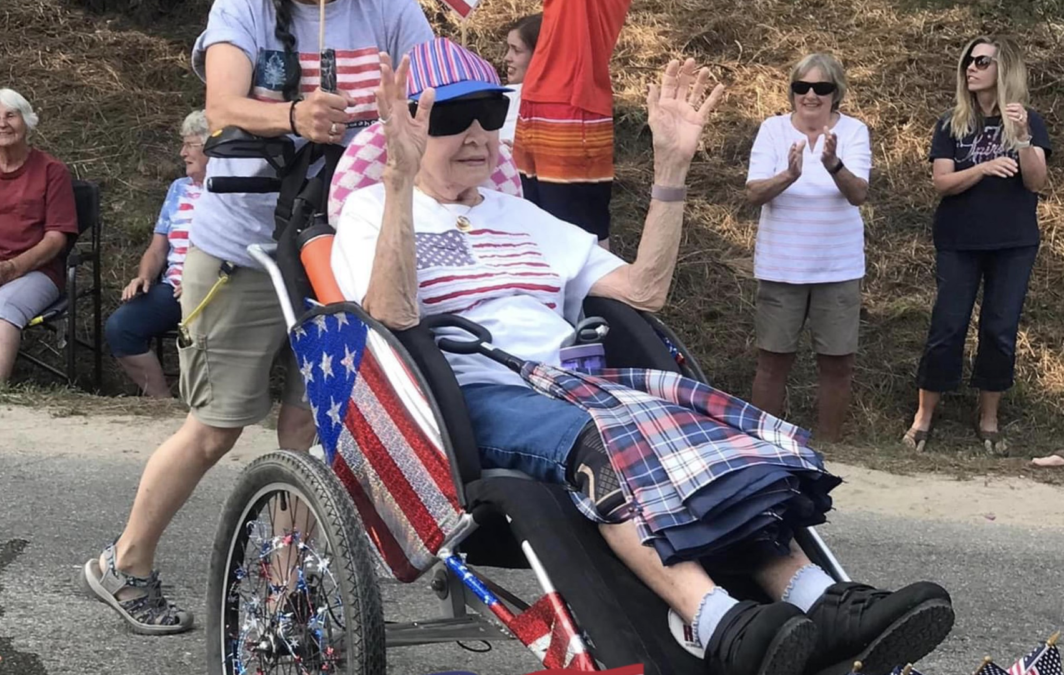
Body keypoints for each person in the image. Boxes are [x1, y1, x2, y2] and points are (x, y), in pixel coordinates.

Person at [331, 38, 953, 675]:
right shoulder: (371, 210)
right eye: (447, 118)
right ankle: (717, 620)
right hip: (468, 392)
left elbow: (644, 290)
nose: (474, 133)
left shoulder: (520, 215)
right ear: (405, 125)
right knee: (607, 439)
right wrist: (401, 183)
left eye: (489, 113)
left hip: (574, 380)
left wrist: (671, 171)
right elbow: (390, 316)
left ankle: (821, 599)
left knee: (716, 436)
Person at [82, 0, 433, 635]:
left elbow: (432, 91)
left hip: (346, 245)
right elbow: (222, 107)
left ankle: (283, 589)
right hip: (243, 248)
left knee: (310, 426)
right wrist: (294, 114)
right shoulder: (242, 8)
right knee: (216, 427)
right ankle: (124, 562)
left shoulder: (393, 9)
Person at [902, 36, 1050, 454]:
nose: (972, 67)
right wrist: (983, 167)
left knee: (1000, 330)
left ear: (1005, 69)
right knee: (947, 326)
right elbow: (942, 183)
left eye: (982, 61)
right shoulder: (952, 121)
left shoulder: (1028, 119)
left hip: (1014, 243)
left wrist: (1021, 137)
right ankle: (923, 417)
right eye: (969, 60)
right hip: (959, 241)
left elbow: (1036, 182)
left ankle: (989, 419)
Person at [745, 54, 872, 443]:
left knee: (837, 362)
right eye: (802, 87)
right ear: (793, 92)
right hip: (782, 267)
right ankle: (766, 447)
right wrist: (789, 175)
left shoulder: (853, 132)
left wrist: (833, 165)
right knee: (772, 362)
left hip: (838, 268)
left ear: (837, 93)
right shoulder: (772, 130)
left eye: (822, 88)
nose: (811, 95)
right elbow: (753, 192)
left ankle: (830, 446)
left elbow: (858, 194)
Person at [105, 110, 208, 398]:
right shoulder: (178, 189)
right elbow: (158, 247)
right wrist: (144, 276)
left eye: (190, 145)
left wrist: (201, 281)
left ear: (213, 147)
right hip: (173, 289)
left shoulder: (234, 191)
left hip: (218, 291)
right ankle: (162, 402)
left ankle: (209, 407)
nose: (182, 152)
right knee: (121, 327)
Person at [513, 0, 632, 249]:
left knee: (577, 238)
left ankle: (598, 289)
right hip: (537, 101)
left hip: (570, 108)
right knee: (532, 228)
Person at [0, 88, 79, 384]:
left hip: (36, 272)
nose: (2, 124)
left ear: (27, 122)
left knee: (1, 306)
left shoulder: (52, 171)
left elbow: (55, 240)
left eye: (11, 115)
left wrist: (12, 269)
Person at [500, 13, 541, 146]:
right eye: (508, 48)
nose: (507, 57)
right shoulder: (504, 97)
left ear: (540, 55)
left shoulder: (565, 107)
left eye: (516, 50)